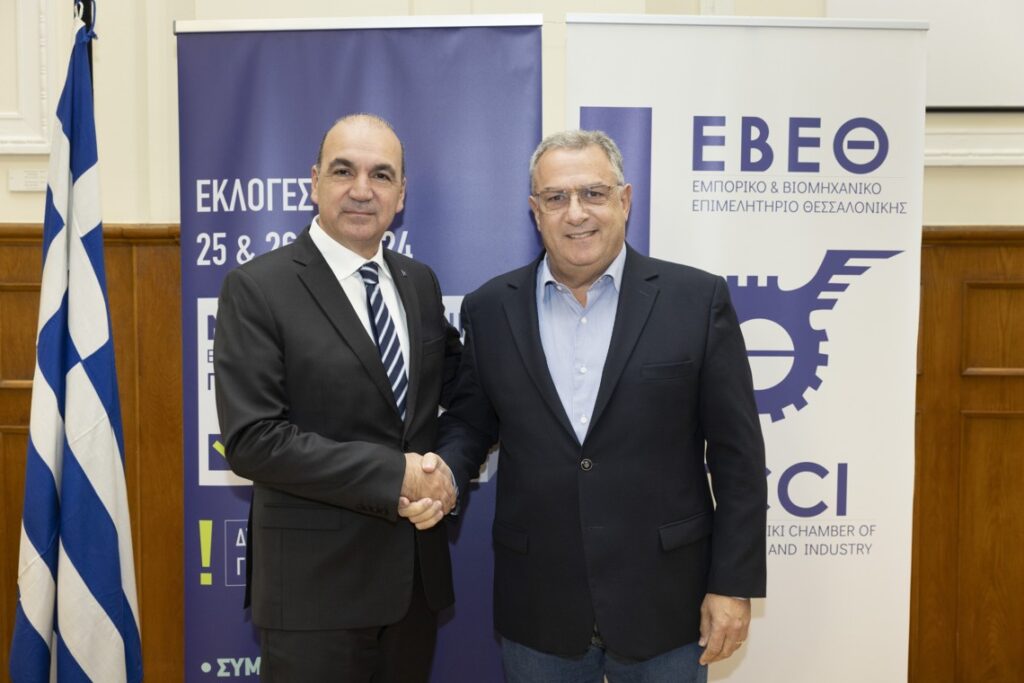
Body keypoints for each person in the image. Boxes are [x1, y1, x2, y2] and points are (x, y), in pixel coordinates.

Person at [433, 129, 767, 682]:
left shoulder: (696, 300)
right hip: (539, 604)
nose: (576, 213)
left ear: (625, 200)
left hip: (668, 603)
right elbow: (472, 421)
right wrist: (443, 471)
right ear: (535, 211)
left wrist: (732, 584)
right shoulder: (490, 308)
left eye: (593, 193)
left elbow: (738, 458)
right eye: (556, 198)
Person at [214, 113, 462, 682]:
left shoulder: (419, 283)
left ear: (401, 195)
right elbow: (253, 440)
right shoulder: (257, 288)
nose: (361, 189)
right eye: (343, 171)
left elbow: (464, 391)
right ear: (314, 182)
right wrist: (398, 474)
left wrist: (444, 470)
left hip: (413, 591)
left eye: (381, 175)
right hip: (314, 597)